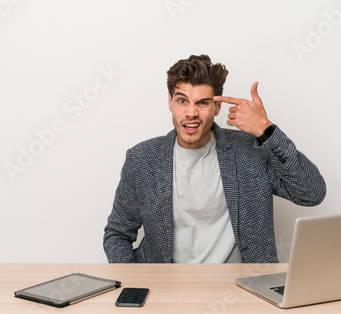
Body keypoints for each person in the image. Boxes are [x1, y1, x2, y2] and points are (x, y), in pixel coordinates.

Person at [103, 54, 326, 263]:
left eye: (202, 103)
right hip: (168, 289)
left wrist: (266, 131)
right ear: (170, 102)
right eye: (182, 101)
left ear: (217, 107)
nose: (191, 113)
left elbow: (312, 193)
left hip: (242, 288)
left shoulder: (251, 150)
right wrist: (134, 285)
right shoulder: (142, 159)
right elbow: (118, 233)